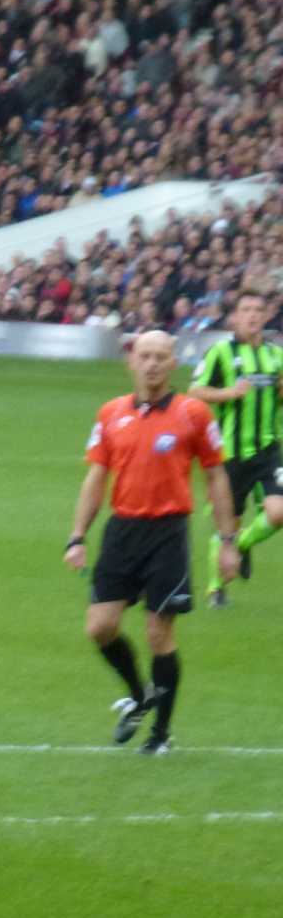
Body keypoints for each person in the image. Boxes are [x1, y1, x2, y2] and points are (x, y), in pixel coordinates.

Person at [64, 331, 238, 756]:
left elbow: (215, 475)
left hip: (168, 533)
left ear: (173, 362)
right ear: (131, 362)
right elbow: (95, 478)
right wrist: (77, 536)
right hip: (122, 531)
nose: (153, 364)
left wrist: (228, 539)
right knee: (100, 627)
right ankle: (140, 695)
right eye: (145, 356)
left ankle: (160, 734)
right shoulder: (110, 414)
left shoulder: (194, 414)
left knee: (159, 634)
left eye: (161, 356)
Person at [188, 290, 283, 606]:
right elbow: (195, 391)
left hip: (268, 449)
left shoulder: (277, 356)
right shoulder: (220, 353)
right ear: (235, 316)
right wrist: (229, 393)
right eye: (246, 309)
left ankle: (241, 545)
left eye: (258, 309)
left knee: (278, 512)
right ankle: (216, 589)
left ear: (266, 315)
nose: (253, 315)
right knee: (226, 522)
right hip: (229, 453)